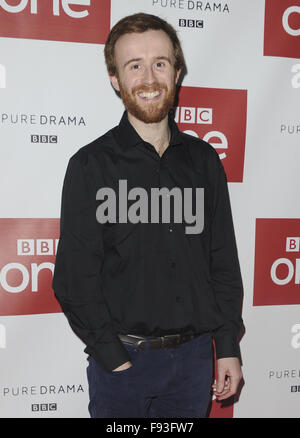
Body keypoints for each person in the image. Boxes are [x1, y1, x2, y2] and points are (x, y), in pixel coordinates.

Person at [52, 12, 244, 418]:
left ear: (177, 72)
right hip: (123, 367)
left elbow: (223, 262)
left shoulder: (204, 160)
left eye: (160, 63)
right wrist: (113, 357)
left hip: (195, 363)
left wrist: (226, 346)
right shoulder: (90, 166)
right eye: (134, 66)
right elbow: (73, 278)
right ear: (115, 78)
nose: (149, 77)